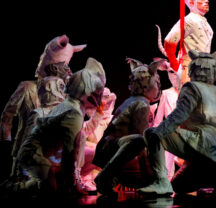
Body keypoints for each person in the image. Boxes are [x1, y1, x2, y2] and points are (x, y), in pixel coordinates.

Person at [138, 50, 216, 195]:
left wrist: (158, 132)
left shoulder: (191, 87)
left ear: (194, 68)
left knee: (151, 132)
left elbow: (178, 116)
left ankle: (161, 182)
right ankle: (212, 176)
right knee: (178, 186)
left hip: (197, 145)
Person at [12, 58, 105, 195]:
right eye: (96, 93)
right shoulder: (73, 112)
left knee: (53, 187)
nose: (99, 98)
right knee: (49, 189)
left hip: (46, 156)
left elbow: (78, 138)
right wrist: (72, 185)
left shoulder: (72, 107)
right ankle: (12, 188)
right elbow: (70, 152)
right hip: (34, 154)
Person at [0, 34, 85, 180]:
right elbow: (8, 113)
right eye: (64, 66)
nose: (69, 70)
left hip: (51, 156)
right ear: (53, 67)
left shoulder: (63, 91)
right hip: (25, 155)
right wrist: (6, 139)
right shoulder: (27, 87)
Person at [93, 58, 164, 196]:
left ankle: (108, 178)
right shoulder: (142, 104)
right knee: (140, 140)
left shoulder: (133, 101)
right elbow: (143, 142)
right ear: (147, 85)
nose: (158, 87)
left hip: (109, 146)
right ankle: (105, 176)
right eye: (157, 83)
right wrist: (151, 177)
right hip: (111, 148)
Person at [160, 0, 213, 87]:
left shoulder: (204, 21)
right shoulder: (188, 20)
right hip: (191, 69)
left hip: (205, 69)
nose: (206, 1)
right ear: (191, 2)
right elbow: (169, 41)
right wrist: (174, 64)